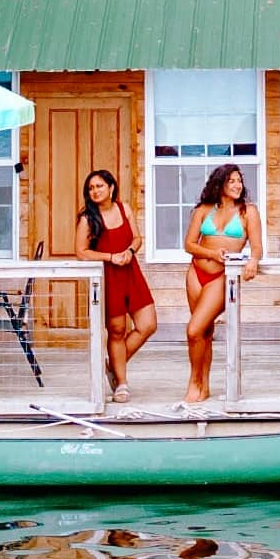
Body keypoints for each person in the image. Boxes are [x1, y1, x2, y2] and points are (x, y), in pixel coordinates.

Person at [179, 162, 262, 406]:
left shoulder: (248, 212)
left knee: (193, 329)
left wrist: (253, 261)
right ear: (220, 184)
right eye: (231, 181)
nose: (237, 185)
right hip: (195, 272)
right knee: (203, 332)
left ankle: (194, 382)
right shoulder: (204, 209)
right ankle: (203, 386)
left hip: (221, 277)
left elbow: (256, 246)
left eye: (239, 181)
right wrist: (212, 254)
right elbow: (189, 245)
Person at [76, 169, 157, 402]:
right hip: (108, 276)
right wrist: (111, 257)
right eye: (91, 188)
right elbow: (81, 252)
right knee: (117, 331)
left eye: (99, 186)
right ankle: (121, 384)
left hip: (131, 271)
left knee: (148, 324)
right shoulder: (87, 219)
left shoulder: (125, 209)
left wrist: (130, 251)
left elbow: (137, 238)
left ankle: (112, 365)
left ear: (111, 187)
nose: (95, 191)